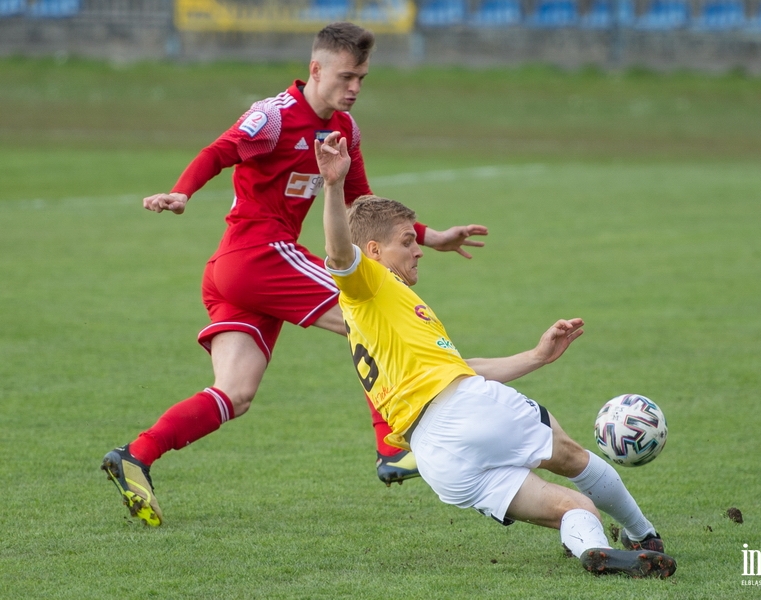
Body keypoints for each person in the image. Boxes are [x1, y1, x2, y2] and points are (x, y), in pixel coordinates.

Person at [101, 21, 488, 527]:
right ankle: (390, 447)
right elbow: (221, 150)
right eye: (347, 76)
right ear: (316, 69)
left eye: (362, 78)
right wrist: (182, 193)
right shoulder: (275, 115)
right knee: (368, 313)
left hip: (236, 271)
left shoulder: (343, 131)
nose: (354, 87)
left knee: (235, 393)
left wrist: (431, 236)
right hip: (259, 253)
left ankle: (137, 454)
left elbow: (363, 201)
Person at [315, 131, 676, 578]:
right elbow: (337, 252)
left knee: (574, 508)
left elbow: (461, 370)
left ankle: (592, 552)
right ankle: (644, 535)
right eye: (407, 241)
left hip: (438, 459)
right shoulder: (367, 283)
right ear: (373, 252)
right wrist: (333, 186)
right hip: (465, 412)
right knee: (571, 456)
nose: (417, 251)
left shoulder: (384, 317)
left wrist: (537, 356)